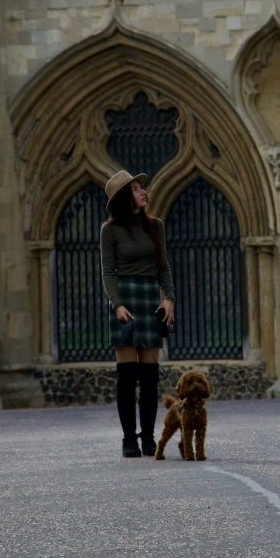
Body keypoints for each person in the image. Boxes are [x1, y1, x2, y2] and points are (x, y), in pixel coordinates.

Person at [100, 170, 176, 458]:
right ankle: (128, 439)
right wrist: (117, 304)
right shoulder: (110, 229)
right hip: (124, 300)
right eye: (135, 189)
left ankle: (148, 438)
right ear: (124, 198)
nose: (143, 191)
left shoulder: (155, 226)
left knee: (149, 376)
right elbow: (107, 271)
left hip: (149, 300)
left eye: (141, 186)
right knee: (127, 376)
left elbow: (163, 268)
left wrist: (169, 299)